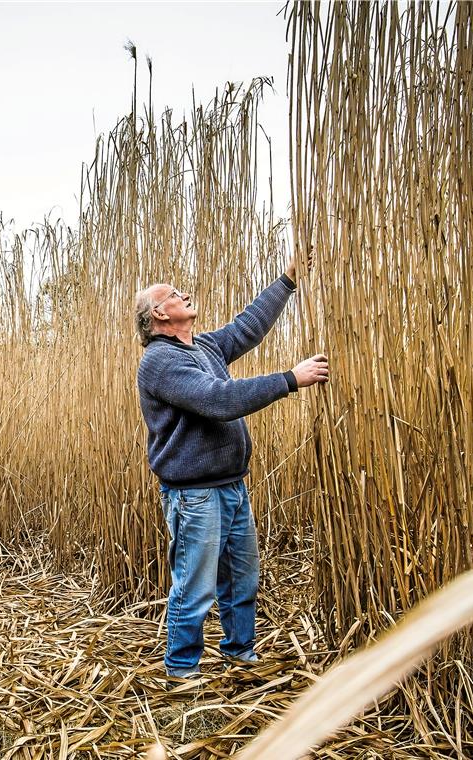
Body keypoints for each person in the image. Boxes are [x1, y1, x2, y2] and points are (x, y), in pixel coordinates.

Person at [134, 256, 329, 678]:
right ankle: (181, 672)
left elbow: (247, 327)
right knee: (195, 588)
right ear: (159, 313)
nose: (185, 294)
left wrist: (287, 280)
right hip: (195, 495)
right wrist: (290, 379)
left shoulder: (202, 347)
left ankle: (240, 657)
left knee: (242, 583)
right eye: (174, 294)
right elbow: (218, 400)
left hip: (232, 486)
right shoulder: (160, 361)